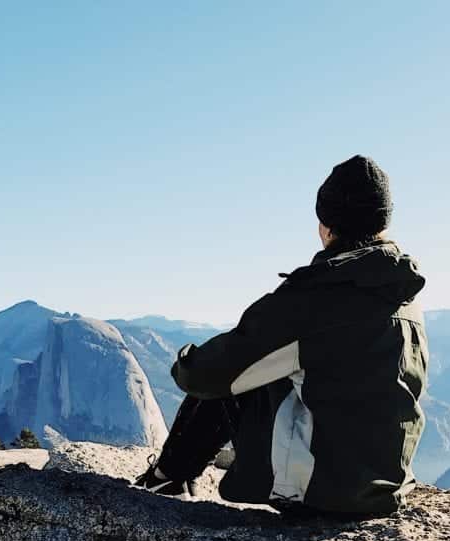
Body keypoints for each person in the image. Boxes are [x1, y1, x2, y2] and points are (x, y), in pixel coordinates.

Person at [133, 155, 428, 520]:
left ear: (326, 225)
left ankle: (166, 479)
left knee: (239, 374)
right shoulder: (403, 294)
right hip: (386, 488)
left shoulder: (317, 295)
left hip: (323, 492)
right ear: (385, 221)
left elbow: (207, 375)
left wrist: (188, 359)